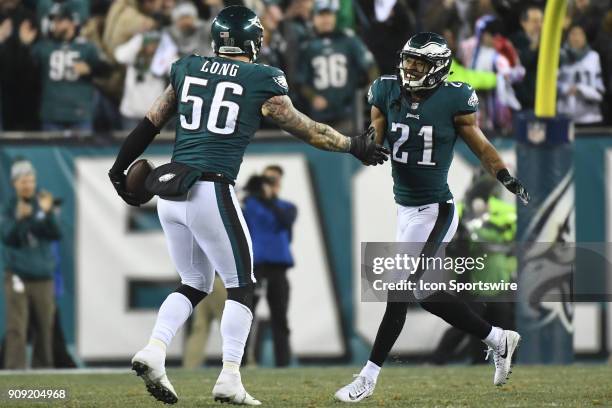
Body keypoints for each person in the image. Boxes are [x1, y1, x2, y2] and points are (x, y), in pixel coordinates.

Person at [107, 5, 388, 405]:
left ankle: (154, 349)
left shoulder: (188, 68)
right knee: (242, 287)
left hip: (169, 194)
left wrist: (119, 172)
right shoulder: (261, 78)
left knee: (193, 283)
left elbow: (149, 123)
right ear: (254, 42)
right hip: (211, 189)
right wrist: (351, 145)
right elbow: (307, 129)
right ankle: (230, 376)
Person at [334, 32, 530, 403]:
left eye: (419, 63)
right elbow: (374, 134)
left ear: (437, 68)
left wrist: (505, 176)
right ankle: (499, 338)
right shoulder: (385, 91)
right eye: (408, 61)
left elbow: (481, 145)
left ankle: (368, 377)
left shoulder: (455, 99)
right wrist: (365, 146)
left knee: (398, 290)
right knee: (425, 294)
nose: (410, 68)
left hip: (436, 209)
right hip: (406, 209)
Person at [1, 159, 62, 369]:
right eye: (23, 181)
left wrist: (45, 213)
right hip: (18, 274)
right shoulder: (8, 207)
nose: (28, 185)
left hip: (43, 276)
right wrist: (21, 220)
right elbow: (9, 237)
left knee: (45, 327)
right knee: (16, 328)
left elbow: (55, 233)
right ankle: (14, 372)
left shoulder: (42, 204)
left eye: (31, 180)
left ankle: (43, 373)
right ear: (14, 183)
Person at [21, 3, 110, 133]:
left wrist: (91, 69)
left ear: (72, 22)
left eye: (60, 20)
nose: (55, 25)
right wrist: (25, 46)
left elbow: (108, 70)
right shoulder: (44, 47)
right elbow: (25, 71)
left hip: (80, 113)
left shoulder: (86, 47)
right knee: (51, 152)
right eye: (53, 21)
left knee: (82, 152)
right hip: (52, 114)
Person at [296, 0, 378, 133]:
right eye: (321, 15)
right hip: (318, 118)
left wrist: (374, 92)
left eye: (329, 15)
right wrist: (313, 97)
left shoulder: (349, 41)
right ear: (314, 18)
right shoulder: (308, 46)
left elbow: (370, 66)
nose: (326, 19)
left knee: (347, 150)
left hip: (346, 114)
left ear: (335, 17)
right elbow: (300, 83)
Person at [243, 166, 297, 367]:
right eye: (266, 178)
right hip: (256, 268)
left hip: (278, 268)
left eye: (273, 179)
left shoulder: (287, 206)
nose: (269, 182)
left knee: (280, 317)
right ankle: (237, 363)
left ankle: (282, 364)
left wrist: (268, 198)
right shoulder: (250, 205)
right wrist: (250, 191)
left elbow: (286, 222)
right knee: (247, 315)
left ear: (279, 182)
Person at [557, 24, 605, 126]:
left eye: (580, 34)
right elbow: (551, 82)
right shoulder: (559, 55)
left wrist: (580, 89)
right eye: (573, 34)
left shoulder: (593, 56)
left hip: (590, 115)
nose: (576, 38)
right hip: (564, 113)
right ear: (567, 36)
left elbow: (599, 87)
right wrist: (565, 89)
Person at [510, 5, 543, 112]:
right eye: (534, 21)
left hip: (544, 98)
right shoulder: (515, 41)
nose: (539, 25)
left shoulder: (548, 42)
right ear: (523, 23)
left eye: (541, 21)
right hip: (523, 100)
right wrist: (534, 45)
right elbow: (522, 63)